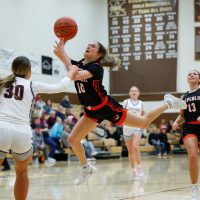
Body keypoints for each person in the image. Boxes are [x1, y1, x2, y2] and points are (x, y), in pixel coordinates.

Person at [54, 39, 187, 186]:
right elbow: (71, 66)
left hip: (107, 107)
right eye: (88, 44)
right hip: (91, 111)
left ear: (98, 54)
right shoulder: (79, 64)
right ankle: (86, 168)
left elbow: (75, 74)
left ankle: (168, 103)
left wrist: (63, 55)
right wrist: (62, 52)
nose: (89, 46)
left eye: (93, 46)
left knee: (143, 123)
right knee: (73, 140)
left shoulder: (96, 68)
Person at [0, 56, 77, 200]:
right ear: (28, 72)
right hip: (22, 132)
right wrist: (70, 73)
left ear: (13, 69)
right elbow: (60, 86)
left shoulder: (3, 83)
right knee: (22, 173)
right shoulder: (32, 85)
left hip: (2, 127)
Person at [172, 69, 200, 200]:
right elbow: (182, 114)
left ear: (199, 79)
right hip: (189, 127)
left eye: (195, 73)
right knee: (193, 155)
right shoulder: (184, 96)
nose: (192, 75)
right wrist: (176, 122)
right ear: (187, 79)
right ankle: (194, 188)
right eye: (189, 74)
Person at [122, 86, 145, 179]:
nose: (134, 92)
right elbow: (121, 113)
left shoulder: (141, 103)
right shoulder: (126, 102)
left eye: (135, 91)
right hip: (127, 128)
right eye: (132, 91)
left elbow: (143, 115)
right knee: (130, 150)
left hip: (137, 127)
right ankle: (133, 169)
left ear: (138, 93)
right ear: (129, 93)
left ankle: (139, 166)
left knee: (135, 146)